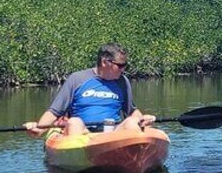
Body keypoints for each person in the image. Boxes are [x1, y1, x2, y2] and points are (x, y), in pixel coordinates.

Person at [24, 43, 156, 137]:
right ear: (105, 62)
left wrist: (143, 119)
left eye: (125, 65)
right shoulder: (77, 79)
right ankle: (79, 164)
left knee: (132, 123)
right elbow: (54, 112)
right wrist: (39, 129)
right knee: (74, 122)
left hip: (113, 133)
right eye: (120, 65)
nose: (123, 69)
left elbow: (131, 111)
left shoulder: (122, 82)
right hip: (83, 132)